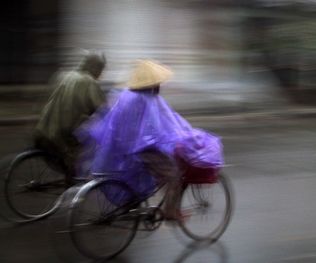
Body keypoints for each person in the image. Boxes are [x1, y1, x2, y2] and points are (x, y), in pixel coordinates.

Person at [77, 60, 224, 219]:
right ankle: (171, 212)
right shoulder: (147, 99)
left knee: (155, 175)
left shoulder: (127, 94)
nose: (160, 86)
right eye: (159, 83)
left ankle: (138, 204)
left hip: (125, 146)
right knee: (173, 174)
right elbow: (163, 126)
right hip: (143, 148)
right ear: (153, 84)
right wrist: (185, 135)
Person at [34, 51, 107, 185]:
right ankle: (72, 183)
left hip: (46, 127)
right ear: (95, 67)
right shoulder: (88, 81)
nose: (100, 74)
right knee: (87, 143)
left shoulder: (66, 75)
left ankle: (71, 177)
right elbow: (101, 108)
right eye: (100, 69)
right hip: (64, 133)